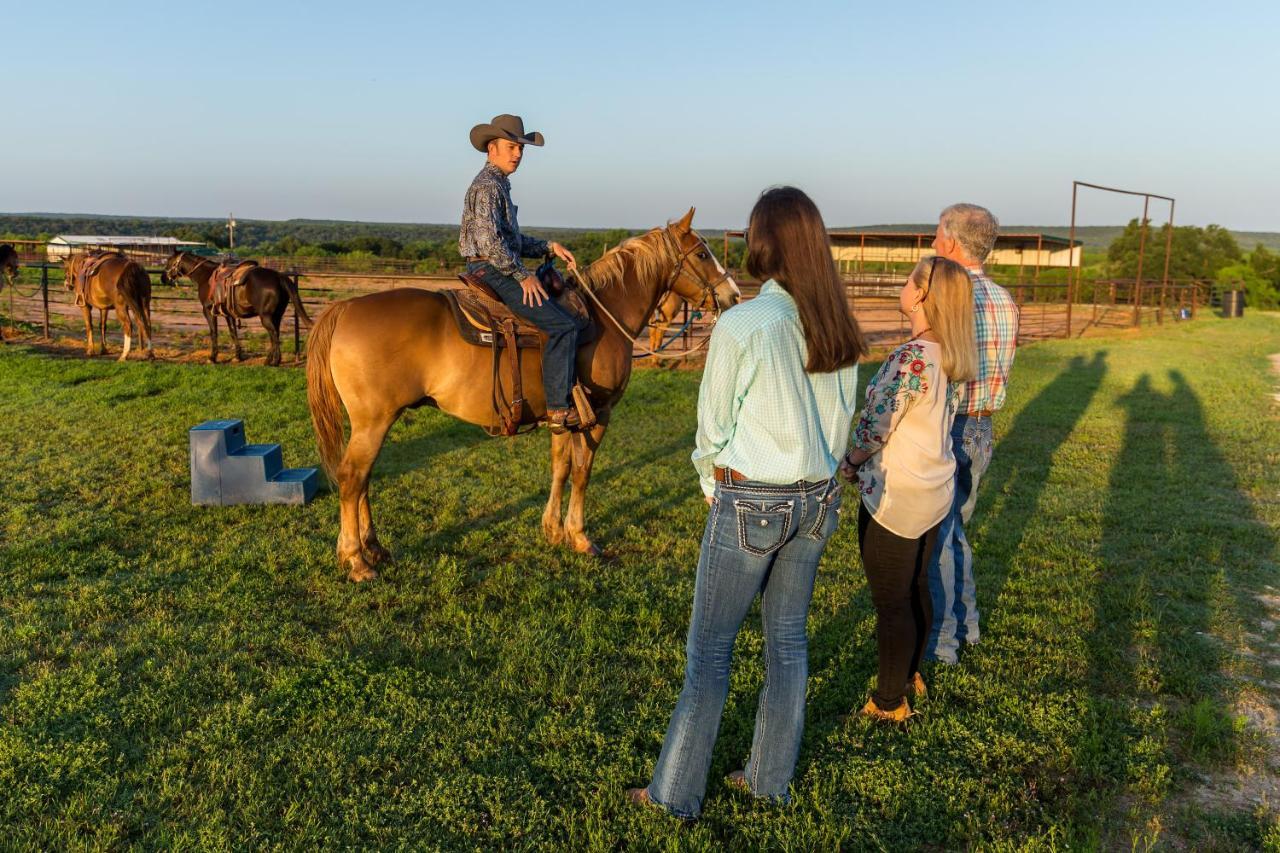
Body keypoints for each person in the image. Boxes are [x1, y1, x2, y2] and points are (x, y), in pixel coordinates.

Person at [628, 186, 866, 819]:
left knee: (709, 654)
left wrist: (713, 486)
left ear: (763, 244)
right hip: (816, 501)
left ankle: (674, 794)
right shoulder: (836, 325)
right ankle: (769, 779)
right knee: (787, 645)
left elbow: (712, 427)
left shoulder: (743, 324)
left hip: (750, 500)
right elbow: (841, 424)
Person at [839, 256, 978, 720]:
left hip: (896, 496)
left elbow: (876, 424)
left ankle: (888, 702)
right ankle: (911, 673)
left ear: (920, 295)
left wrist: (851, 461)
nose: (902, 286)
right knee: (918, 584)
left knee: (891, 602)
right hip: (934, 490)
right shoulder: (949, 354)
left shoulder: (910, 358)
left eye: (907, 280)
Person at [924, 204, 1019, 664]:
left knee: (942, 534)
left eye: (938, 232)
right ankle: (968, 624)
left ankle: (943, 640)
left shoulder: (952, 296)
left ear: (951, 241)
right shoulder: (1005, 298)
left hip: (952, 424)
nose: (934, 240)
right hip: (984, 426)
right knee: (957, 528)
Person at [459, 114, 587, 432]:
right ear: (492, 147)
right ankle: (558, 408)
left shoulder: (499, 184)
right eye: (512, 147)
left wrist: (548, 247)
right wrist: (521, 275)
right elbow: (490, 244)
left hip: (494, 264)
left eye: (521, 148)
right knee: (563, 325)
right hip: (492, 269)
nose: (518, 154)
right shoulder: (489, 186)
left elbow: (510, 241)